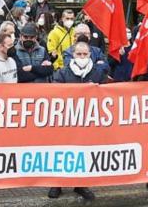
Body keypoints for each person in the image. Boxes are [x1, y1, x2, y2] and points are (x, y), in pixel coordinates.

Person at [48, 41, 102, 202]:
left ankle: (81, 184)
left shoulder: (97, 73)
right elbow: (55, 91)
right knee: (62, 151)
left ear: (90, 55)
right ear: (73, 55)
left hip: (87, 120)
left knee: (84, 152)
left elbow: (106, 93)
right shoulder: (63, 72)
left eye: (85, 54)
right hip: (66, 120)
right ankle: (57, 183)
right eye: (79, 54)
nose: (82, 57)